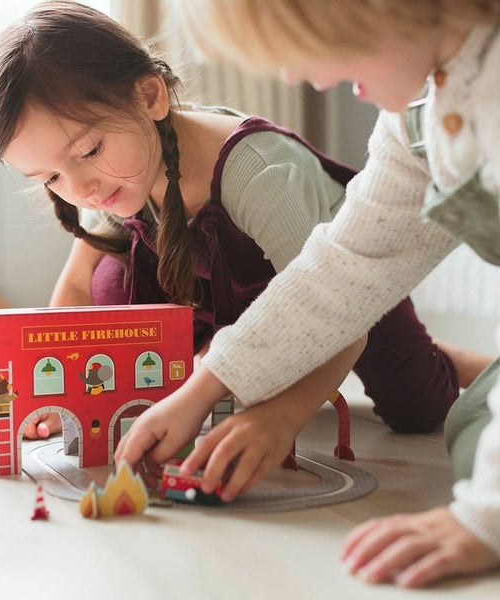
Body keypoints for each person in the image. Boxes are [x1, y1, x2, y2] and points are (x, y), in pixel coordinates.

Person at [116, 0, 500, 589]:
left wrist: (484, 520)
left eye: (324, 47)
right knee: (473, 420)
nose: (316, 80)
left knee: (477, 448)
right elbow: (341, 270)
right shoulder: (418, 117)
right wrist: (205, 386)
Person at [0, 1, 483, 446]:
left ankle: (447, 359)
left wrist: (280, 416)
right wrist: (56, 391)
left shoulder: (259, 173)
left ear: (150, 96)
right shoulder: (103, 172)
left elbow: (338, 306)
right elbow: (78, 289)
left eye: (87, 151)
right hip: (222, 296)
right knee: (113, 281)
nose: (79, 186)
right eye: (51, 177)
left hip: (327, 285)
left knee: (419, 408)